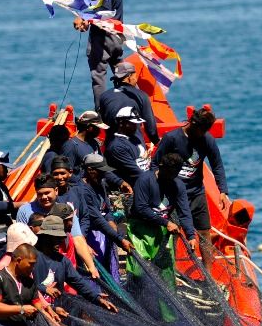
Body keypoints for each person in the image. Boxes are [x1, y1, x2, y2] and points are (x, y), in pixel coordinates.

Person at [152, 105, 229, 269]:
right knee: (172, 233)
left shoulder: (206, 139)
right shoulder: (171, 138)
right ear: (193, 124)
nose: (203, 135)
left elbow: (217, 165)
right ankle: (170, 271)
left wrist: (223, 191)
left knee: (204, 232)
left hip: (196, 193)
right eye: (202, 131)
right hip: (172, 193)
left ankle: (208, 273)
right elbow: (154, 164)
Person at [127, 152, 197, 291]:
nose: (171, 176)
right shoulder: (145, 180)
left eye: (175, 173)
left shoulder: (178, 185)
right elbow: (141, 208)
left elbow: (184, 212)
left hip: (162, 232)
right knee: (138, 271)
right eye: (168, 172)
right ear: (161, 167)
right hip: (140, 230)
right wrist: (167, 223)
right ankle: (137, 301)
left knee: (166, 274)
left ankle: (168, 311)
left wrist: (191, 235)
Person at [33, 217, 119, 314]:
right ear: (45, 237)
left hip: (57, 310)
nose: (60, 241)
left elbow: (78, 282)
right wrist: (44, 289)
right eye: (56, 238)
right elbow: (22, 286)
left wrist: (97, 298)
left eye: (61, 237)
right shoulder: (31, 258)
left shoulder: (62, 261)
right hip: (36, 310)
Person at [72, 0, 123, 103]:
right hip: (117, 35)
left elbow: (104, 11)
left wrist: (83, 19)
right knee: (122, 74)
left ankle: (102, 113)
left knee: (98, 76)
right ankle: (129, 105)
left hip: (103, 38)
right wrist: (87, 19)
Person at [76, 153, 133, 280]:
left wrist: (111, 220)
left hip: (105, 231)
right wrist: (120, 240)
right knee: (98, 273)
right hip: (91, 234)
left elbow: (106, 207)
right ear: (90, 171)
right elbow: (97, 219)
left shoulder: (100, 182)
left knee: (110, 270)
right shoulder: (83, 191)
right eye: (101, 171)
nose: (104, 174)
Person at [97, 62, 158, 144]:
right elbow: (151, 130)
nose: (136, 80)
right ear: (129, 76)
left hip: (111, 146)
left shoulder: (104, 96)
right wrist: (157, 142)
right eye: (135, 76)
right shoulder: (141, 95)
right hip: (135, 146)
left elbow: (103, 123)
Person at [104, 106, 151, 187]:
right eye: (132, 123)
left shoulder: (135, 137)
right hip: (131, 189)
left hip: (145, 181)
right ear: (121, 123)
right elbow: (137, 172)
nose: (136, 126)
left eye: (136, 123)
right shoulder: (117, 146)